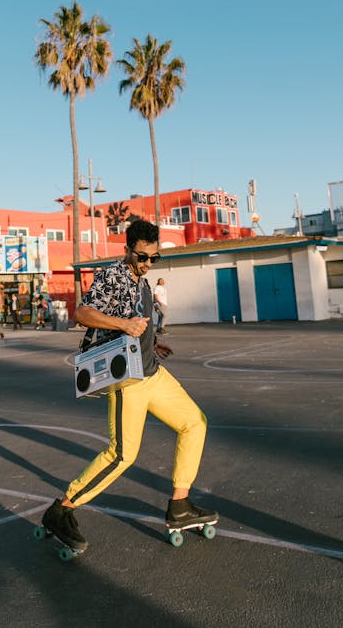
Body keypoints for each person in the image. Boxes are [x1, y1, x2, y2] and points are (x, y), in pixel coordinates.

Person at [40, 220, 216, 552]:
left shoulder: (143, 282)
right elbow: (82, 313)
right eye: (142, 257)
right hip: (129, 380)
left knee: (195, 423)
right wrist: (123, 324)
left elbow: (141, 326)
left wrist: (152, 342)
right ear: (127, 251)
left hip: (153, 372)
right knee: (122, 455)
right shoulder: (113, 276)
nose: (148, 264)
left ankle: (180, 504)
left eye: (154, 258)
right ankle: (62, 510)